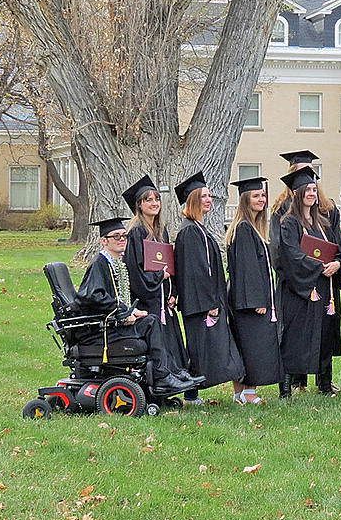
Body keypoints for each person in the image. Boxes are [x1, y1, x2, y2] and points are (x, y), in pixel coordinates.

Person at [76, 218, 198, 395]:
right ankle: (162, 377)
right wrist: (122, 313)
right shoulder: (99, 264)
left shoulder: (117, 262)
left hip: (115, 323)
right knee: (151, 323)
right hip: (103, 329)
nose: (121, 239)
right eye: (115, 236)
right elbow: (91, 296)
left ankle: (169, 373)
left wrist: (132, 311)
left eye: (124, 236)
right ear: (104, 241)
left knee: (151, 320)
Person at [270, 149, 341, 393]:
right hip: (299, 288)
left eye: (314, 189)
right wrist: (318, 267)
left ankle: (324, 385)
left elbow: (336, 248)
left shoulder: (322, 220)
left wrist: (337, 264)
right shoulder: (288, 221)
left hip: (323, 286)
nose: (311, 194)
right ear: (297, 193)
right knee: (294, 338)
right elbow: (290, 254)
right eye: (307, 190)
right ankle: (287, 388)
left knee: (324, 334)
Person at [173, 172, 245, 399]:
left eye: (209, 196)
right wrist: (210, 303)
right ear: (193, 199)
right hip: (200, 305)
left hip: (205, 303)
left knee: (202, 349)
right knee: (198, 350)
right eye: (204, 196)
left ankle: (193, 394)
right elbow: (196, 273)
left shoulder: (197, 228)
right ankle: (191, 395)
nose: (209, 200)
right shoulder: (189, 232)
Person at [120, 176, 190, 386]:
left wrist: (172, 293)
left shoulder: (161, 231)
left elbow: (170, 265)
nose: (154, 203)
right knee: (157, 339)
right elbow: (136, 272)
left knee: (171, 336)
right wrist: (160, 277)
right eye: (148, 200)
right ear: (139, 205)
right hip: (148, 300)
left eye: (156, 199)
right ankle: (158, 379)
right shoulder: (136, 233)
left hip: (163, 298)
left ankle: (175, 371)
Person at [225, 176, 284, 405]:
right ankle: (249, 392)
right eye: (256, 196)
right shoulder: (244, 229)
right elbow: (247, 269)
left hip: (246, 300)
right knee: (253, 347)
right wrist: (258, 300)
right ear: (245, 200)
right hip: (251, 302)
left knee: (247, 345)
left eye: (262, 195)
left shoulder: (251, 228)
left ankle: (240, 392)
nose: (261, 199)